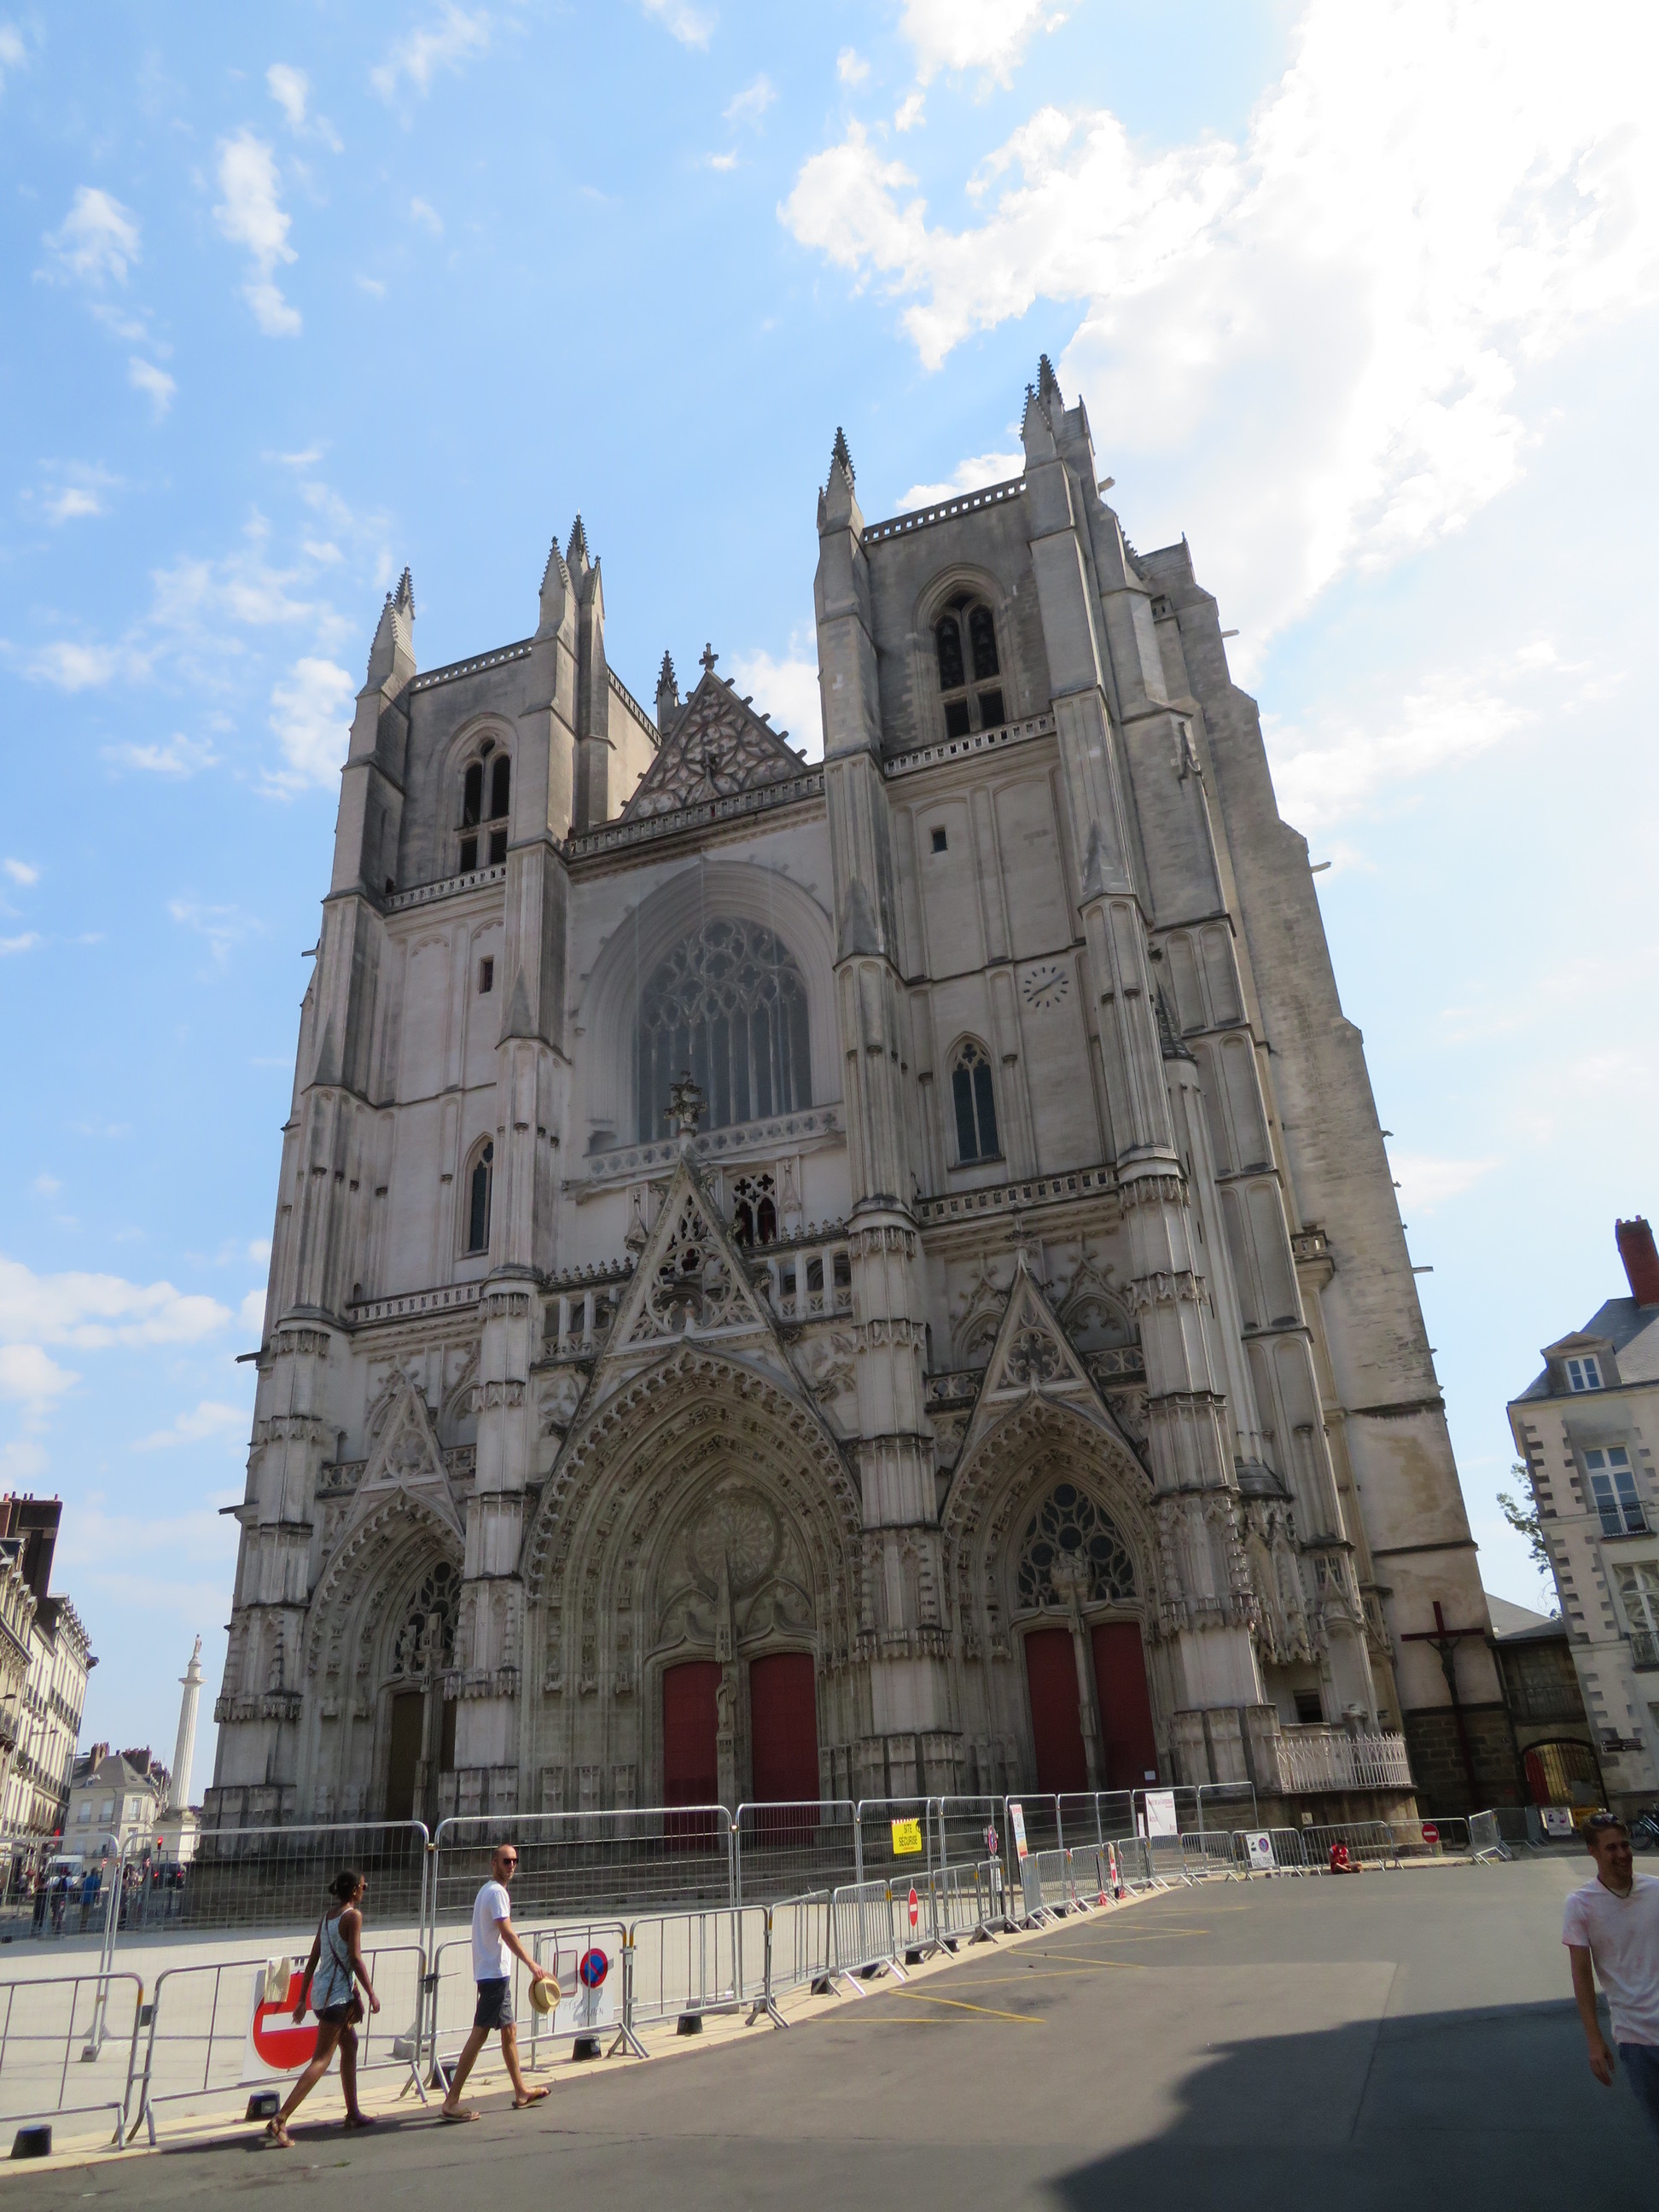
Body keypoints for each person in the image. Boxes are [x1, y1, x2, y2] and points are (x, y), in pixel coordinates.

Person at [261, 1869, 381, 2148]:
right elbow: (355, 1958)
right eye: (364, 1886)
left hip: (321, 1994)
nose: (365, 1890)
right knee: (321, 2059)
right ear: (354, 1890)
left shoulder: (328, 1917)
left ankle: (353, 2112)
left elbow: (313, 1958)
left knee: (350, 2046)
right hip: (336, 1997)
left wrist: (302, 1999)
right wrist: (372, 1993)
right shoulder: (353, 1916)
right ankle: (280, 2119)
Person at [439, 1843, 556, 2121]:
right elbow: (507, 1932)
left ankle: (521, 2091)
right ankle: (451, 2101)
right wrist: (532, 1963)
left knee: (509, 2031)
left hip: (495, 1973)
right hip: (493, 1975)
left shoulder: (489, 1891)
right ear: (494, 1863)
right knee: (479, 2034)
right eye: (506, 1861)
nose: (511, 1865)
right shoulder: (496, 1893)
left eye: (514, 1860)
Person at [1564, 1810, 1659, 2139]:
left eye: (1625, 1845)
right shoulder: (1580, 1904)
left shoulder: (1656, 1890)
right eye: (1611, 1848)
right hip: (1636, 2039)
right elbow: (1581, 1975)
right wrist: (1594, 2039)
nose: (1622, 1854)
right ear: (1592, 1851)